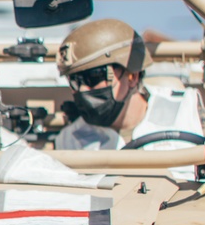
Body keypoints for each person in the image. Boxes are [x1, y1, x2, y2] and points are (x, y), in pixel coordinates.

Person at [54, 18, 152, 149]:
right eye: (75, 80)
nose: (82, 89)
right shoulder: (70, 140)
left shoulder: (186, 111)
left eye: (93, 77)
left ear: (132, 77)